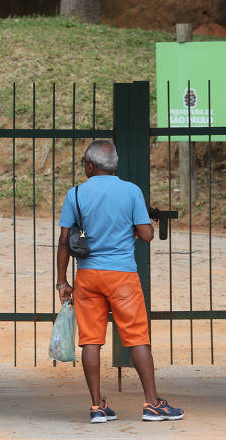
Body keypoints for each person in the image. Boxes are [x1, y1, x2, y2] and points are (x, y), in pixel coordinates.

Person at [56, 140, 184, 424]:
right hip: (123, 276)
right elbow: (147, 235)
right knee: (137, 338)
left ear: (90, 165)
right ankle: (152, 404)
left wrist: (62, 281)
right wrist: (135, 231)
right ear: (113, 164)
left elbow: (65, 240)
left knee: (90, 341)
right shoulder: (131, 191)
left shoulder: (75, 194)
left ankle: (97, 407)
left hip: (88, 276)